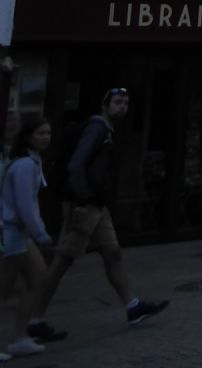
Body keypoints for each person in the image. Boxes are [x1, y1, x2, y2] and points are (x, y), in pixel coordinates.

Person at [32, 89, 167, 329]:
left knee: (112, 252)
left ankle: (133, 306)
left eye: (125, 102)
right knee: (62, 261)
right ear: (105, 105)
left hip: (98, 206)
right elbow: (76, 166)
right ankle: (35, 318)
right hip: (85, 206)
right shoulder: (98, 129)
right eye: (117, 102)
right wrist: (83, 197)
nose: (122, 106)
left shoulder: (108, 131)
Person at [0, 117, 66, 356]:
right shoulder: (26, 165)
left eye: (48, 133)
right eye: (41, 133)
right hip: (13, 232)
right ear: (28, 137)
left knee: (38, 278)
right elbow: (25, 205)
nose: (46, 137)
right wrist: (40, 233)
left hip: (21, 233)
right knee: (4, 288)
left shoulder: (30, 161)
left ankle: (20, 337)